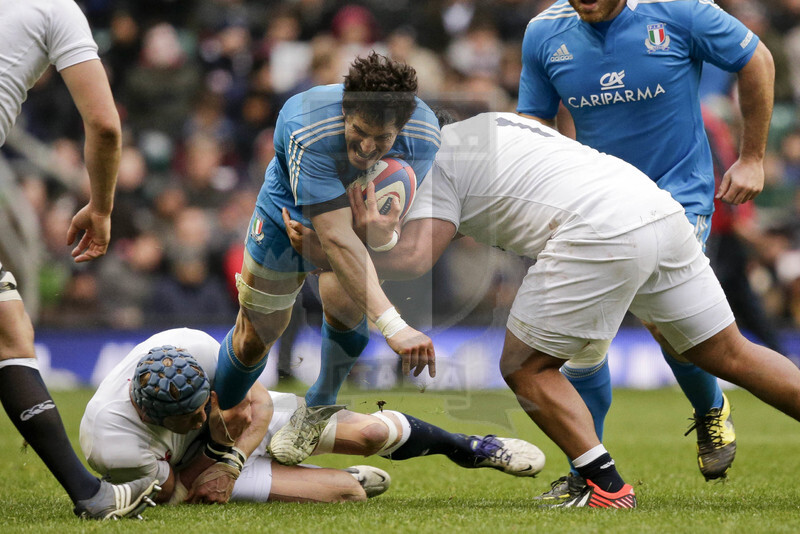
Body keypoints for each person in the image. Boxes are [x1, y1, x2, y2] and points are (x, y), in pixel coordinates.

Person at [287, 112, 800, 508]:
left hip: (598, 229)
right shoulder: (495, 123)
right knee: (731, 353)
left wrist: (329, 248)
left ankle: (606, 487)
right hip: (657, 209)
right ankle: (596, 478)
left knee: (525, 367)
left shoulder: (431, 163)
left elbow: (415, 259)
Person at [516, 0, 775, 491]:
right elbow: (533, 124)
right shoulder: (544, 32)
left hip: (678, 198)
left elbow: (755, 58)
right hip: (596, 205)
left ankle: (709, 408)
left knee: (668, 326)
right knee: (579, 343)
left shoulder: (679, 11)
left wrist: (752, 158)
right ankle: (586, 475)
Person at [214, 52, 441, 467]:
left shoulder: (424, 135)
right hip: (286, 214)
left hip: (352, 217)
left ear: (402, 128)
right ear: (344, 111)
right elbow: (334, 238)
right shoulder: (307, 123)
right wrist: (394, 326)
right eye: (359, 132)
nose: (368, 148)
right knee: (254, 337)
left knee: (346, 300)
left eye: (383, 139)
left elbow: (384, 223)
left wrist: (382, 238)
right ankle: (216, 415)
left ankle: (318, 406)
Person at [0, 0, 160, 519]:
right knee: (8, 335)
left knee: (9, 328)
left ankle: (88, 493)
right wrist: (103, 208)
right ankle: (90, 495)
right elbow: (105, 125)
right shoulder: (55, 9)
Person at [79, 328, 545, 504]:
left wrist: (231, 458)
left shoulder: (191, 348)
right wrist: (214, 460)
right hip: (194, 467)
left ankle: (468, 447)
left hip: (237, 436)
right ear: (154, 417)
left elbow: (258, 404)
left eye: (206, 402)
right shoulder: (113, 443)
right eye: (191, 416)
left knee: (370, 433)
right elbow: (173, 493)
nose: (203, 414)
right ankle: (334, 476)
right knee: (347, 494)